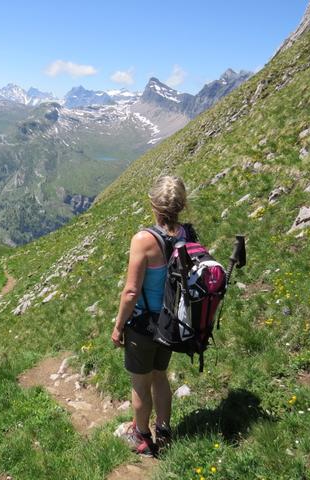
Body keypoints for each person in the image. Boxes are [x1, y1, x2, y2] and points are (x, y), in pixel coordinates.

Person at [111, 175, 189, 456]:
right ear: (181, 205)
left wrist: (119, 326)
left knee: (140, 384)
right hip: (170, 322)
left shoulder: (144, 240)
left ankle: (142, 437)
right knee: (160, 377)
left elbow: (131, 291)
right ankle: (164, 432)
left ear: (154, 204)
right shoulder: (185, 235)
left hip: (143, 325)